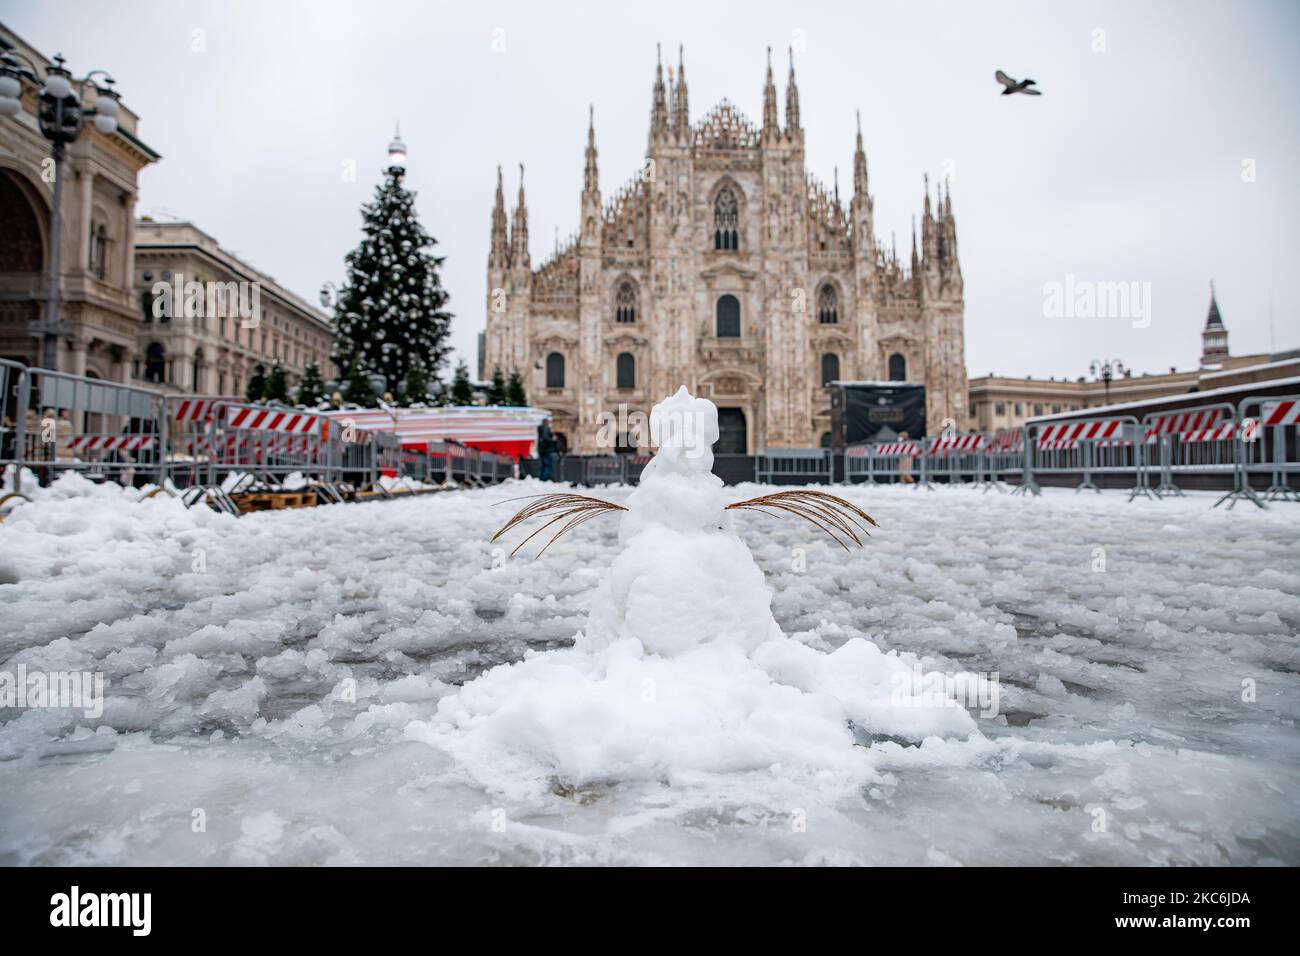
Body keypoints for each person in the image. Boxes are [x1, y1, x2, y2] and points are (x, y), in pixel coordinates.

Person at [537, 415, 557, 482]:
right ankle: (546, 478)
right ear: (547, 421)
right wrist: (553, 439)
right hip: (546, 449)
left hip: (542, 449)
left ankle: (542, 477)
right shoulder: (546, 428)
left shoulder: (540, 428)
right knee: (547, 464)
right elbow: (546, 438)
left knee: (543, 464)